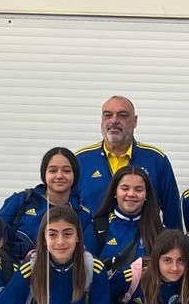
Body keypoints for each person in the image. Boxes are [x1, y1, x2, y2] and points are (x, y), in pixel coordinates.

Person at [74, 96, 183, 229]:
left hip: (143, 246)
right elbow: (67, 210)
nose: (114, 121)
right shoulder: (81, 160)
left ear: (135, 121)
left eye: (122, 115)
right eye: (107, 115)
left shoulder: (156, 159)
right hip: (92, 246)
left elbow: (172, 214)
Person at [0, 147, 94, 262]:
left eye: (66, 171)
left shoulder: (82, 213)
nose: (59, 176)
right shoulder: (21, 202)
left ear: (75, 175)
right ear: (44, 174)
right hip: (19, 276)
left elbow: (86, 255)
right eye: (53, 170)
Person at [89, 165, 164, 291]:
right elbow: (84, 275)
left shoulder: (159, 232)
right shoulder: (97, 228)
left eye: (138, 190)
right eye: (125, 188)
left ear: (146, 195)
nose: (131, 194)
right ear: (115, 192)